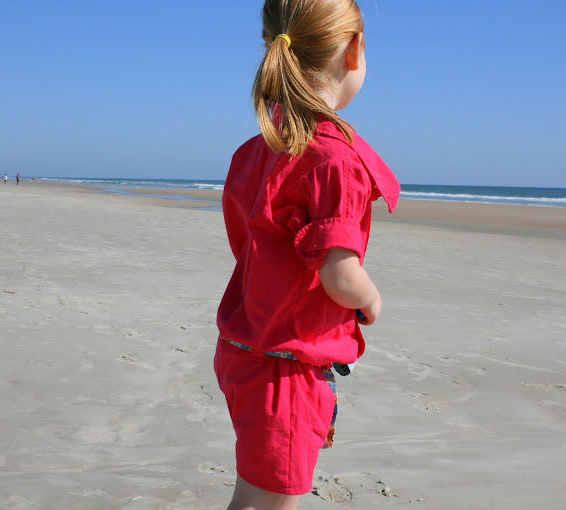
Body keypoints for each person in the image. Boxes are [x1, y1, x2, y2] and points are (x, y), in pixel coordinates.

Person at [214, 1, 400, 508]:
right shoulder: (333, 159)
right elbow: (341, 274)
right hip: (285, 370)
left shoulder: (260, 147)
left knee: (254, 493)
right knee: (266, 503)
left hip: (243, 350)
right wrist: (371, 299)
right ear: (354, 50)